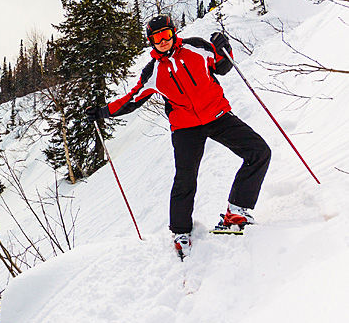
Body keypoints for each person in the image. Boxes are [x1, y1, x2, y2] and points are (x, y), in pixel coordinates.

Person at [85, 14, 271, 259]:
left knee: (259, 152)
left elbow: (223, 67)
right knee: (185, 178)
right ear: (151, 42)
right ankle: (181, 232)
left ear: (173, 33)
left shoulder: (197, 46)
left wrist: (224, 47)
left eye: (165, 35)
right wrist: (101, 112)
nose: (162, 41)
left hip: (217, 116)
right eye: (156, 38)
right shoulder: (153, 72)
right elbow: (131, 100)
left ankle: (237, 210)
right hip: (186, 128)